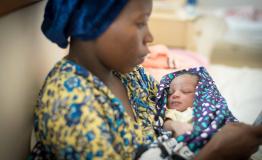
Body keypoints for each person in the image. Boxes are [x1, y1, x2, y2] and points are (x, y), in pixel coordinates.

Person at [30, 0, 262, 159]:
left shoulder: (128, 74)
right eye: (141, 23)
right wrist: (215, 154)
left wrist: (174, 125)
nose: (150, 36)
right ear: (93, 22)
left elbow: (159, 113)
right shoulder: (71, 105)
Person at [155, 67, 238, 155]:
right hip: (188, 148)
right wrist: (175, 125)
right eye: (170, 92)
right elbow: (165, 124)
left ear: (201, 93)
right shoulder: (173, 112)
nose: (175, 95)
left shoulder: (209, 109)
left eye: (186, 91)